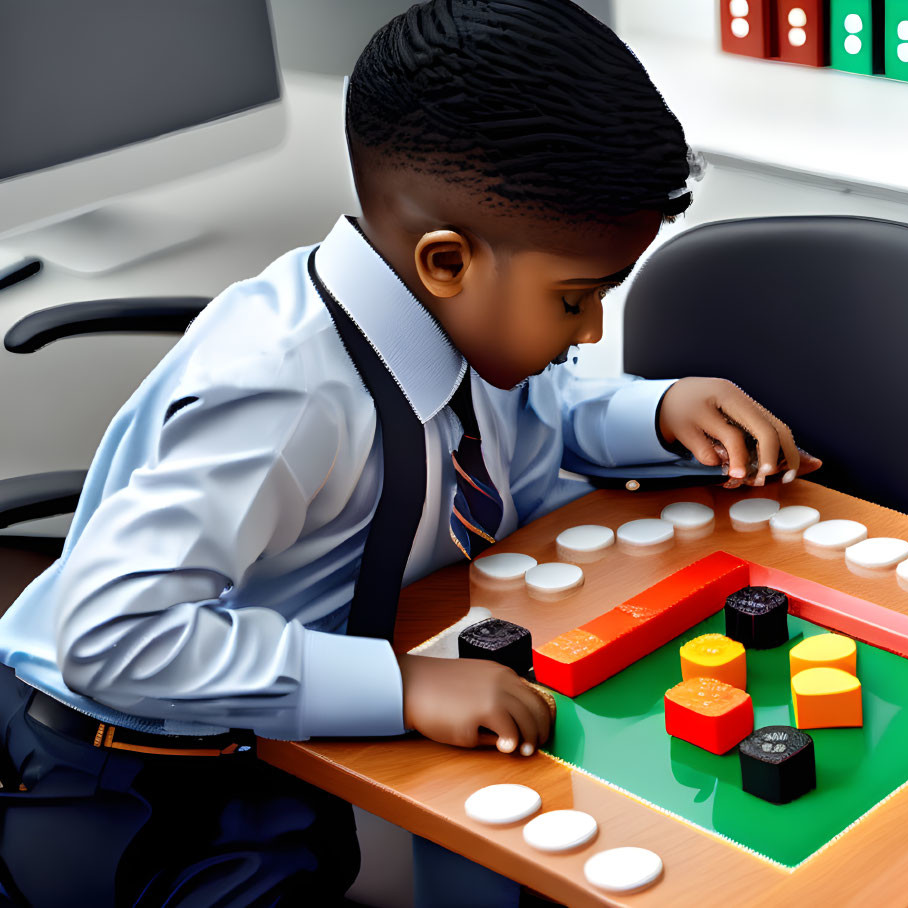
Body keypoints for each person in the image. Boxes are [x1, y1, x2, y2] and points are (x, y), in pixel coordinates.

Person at [0, 1, 817, 905]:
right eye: (575, 299)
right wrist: (403, 687)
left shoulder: (446, 321)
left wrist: (654, 413)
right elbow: (111, 637)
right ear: (445, 262)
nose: (591, 328)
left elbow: (532, 414)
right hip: (131, 777)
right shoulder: (285, 396)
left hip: (280, 745)